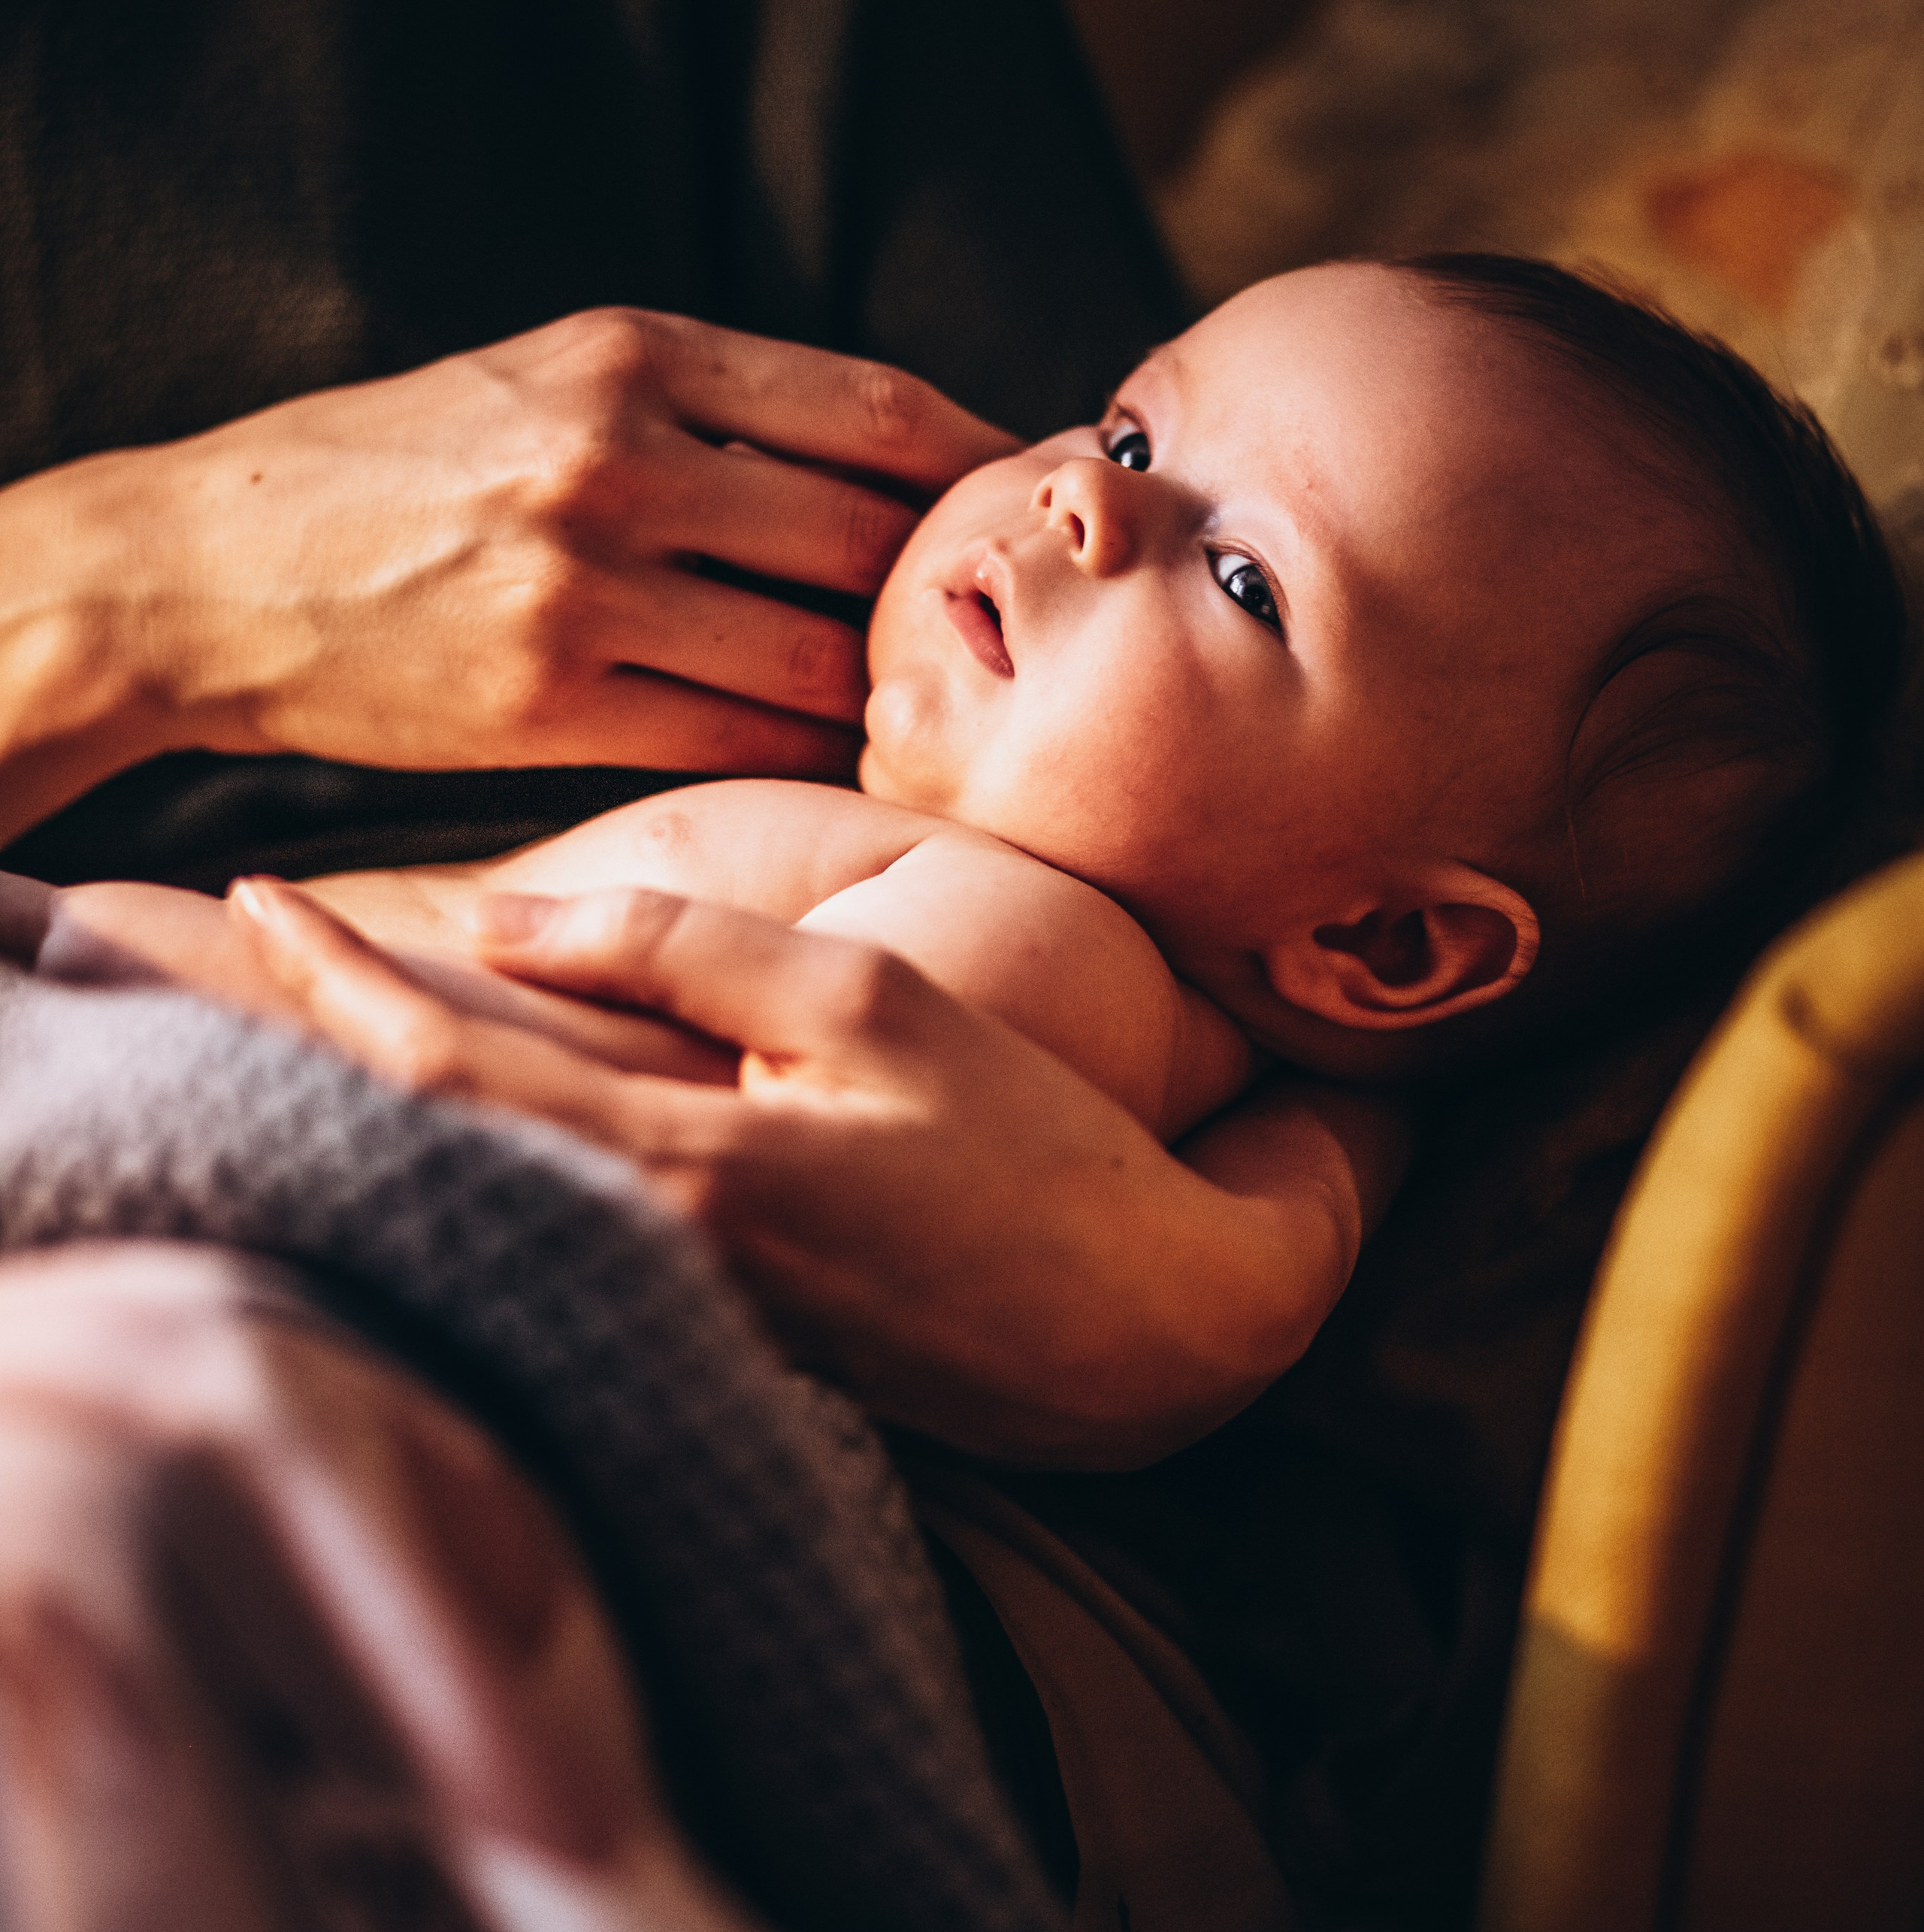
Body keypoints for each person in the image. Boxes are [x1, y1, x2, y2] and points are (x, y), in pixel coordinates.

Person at [24, 253, 1907, 1470]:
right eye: (1132, 423)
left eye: (1245, 576)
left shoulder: (1028, 951)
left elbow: (554, 1146)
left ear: (1389, 942)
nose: (1086, 494)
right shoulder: (1090, 1000)